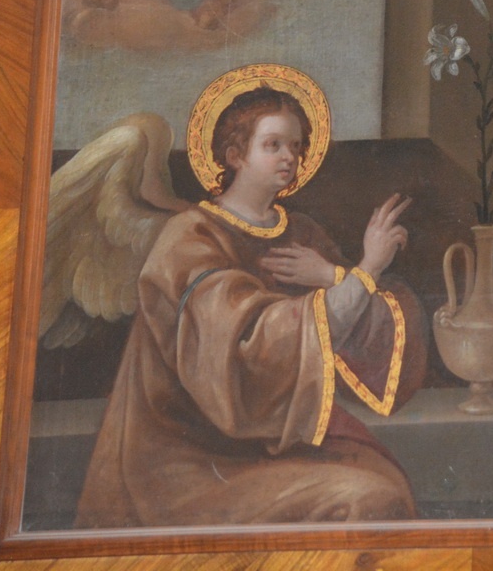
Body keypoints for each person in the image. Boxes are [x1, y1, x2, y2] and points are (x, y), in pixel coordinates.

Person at [75, 80, 426, 527]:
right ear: (235, 154)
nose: (289, 157)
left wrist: (335, 276)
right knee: (367, 499)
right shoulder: (191, 237)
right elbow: (251, 346)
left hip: (277, 442)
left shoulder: (302, 232)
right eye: (273, 144)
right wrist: (367, 269)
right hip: (193, 458)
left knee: (386, 482)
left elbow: (369, 327)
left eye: (295, 147)